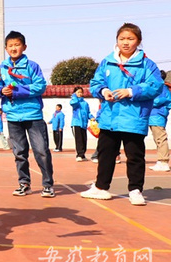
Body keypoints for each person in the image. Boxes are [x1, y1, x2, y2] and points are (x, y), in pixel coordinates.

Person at [81, 23, 163, 205]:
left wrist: (131, 91)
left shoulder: (146, 65)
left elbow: (155, 86)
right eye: (122, 39)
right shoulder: (107, 62)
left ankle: (135, 190)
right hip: (109, 117)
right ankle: (101, 187)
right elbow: (95, 83)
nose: (125, 43)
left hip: (134, 118)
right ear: (117, 40)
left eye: (130, 39)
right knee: (106, 153)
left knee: (134, 155)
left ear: (139, 41)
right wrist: (103, 91)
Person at [0, 30, 55, 198]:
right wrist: (1, 90)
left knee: (41, 151)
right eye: (10, 46)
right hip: (12, 116)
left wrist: (16, 91)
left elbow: (40, 86)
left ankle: (48, 185)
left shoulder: (32, 66)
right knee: (19, 153)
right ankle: (24, 184)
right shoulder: (1, 68)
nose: (14, 48)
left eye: (17, 45)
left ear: (24, 47)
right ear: (5, 48)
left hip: (33, 115)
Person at [147, 70, 171, 171]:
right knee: (158, 138)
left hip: (157, 115)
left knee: (160, 138)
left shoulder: (161, 88)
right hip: (155, 115)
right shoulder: (161, 87)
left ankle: (164, 161)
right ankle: (161, 161)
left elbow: (158, 100)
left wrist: (147, 100)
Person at [70, 87, 95, 161]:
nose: (80, 94)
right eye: (78, 92)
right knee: (79, 140)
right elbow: (73, 103)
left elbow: (88, 112)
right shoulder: (74, 101)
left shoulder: (85, 103)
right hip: (76, 123)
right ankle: (79, 155)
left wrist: (91, 117)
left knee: (84, 140)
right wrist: (74, 96)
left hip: (84, 124)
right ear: (75, 93)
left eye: (81, 92)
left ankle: (83, 155)